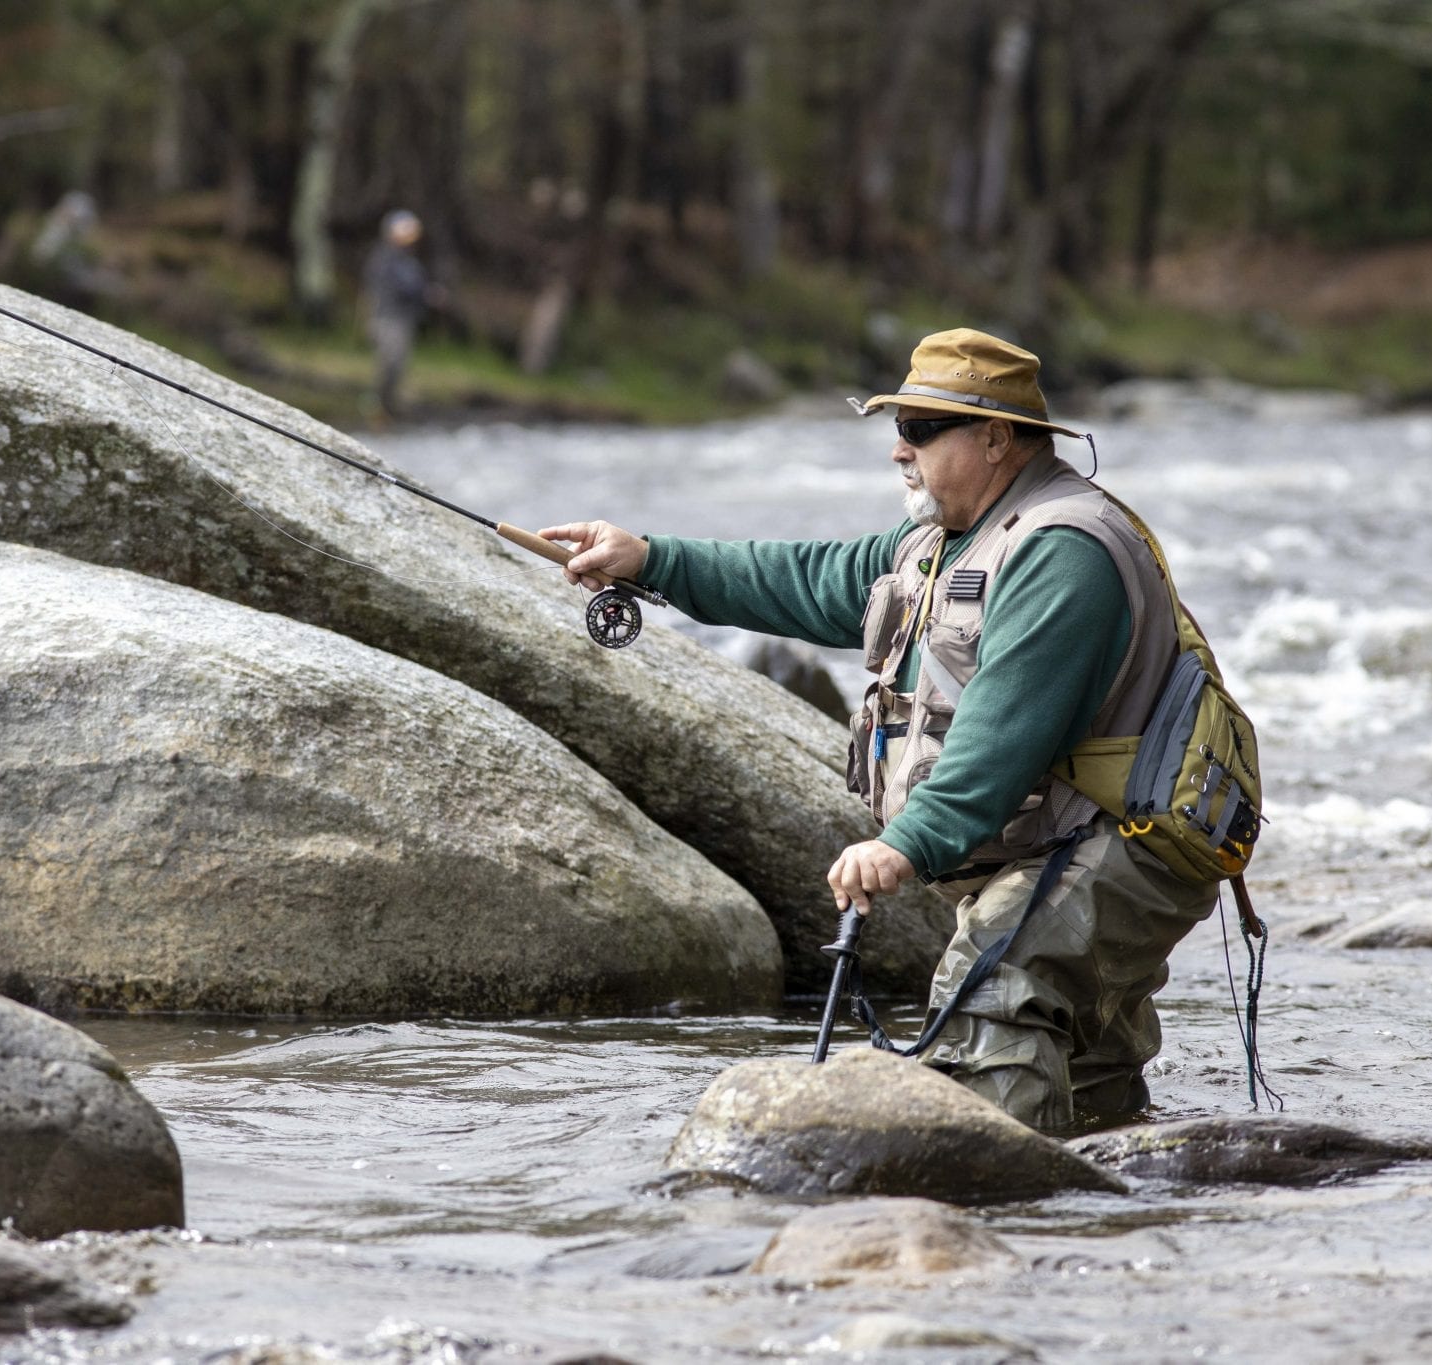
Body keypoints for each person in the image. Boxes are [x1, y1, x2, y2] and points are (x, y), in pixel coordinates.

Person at [539, 329, 1222, 1135]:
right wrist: (649, 558)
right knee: (1085, 1068)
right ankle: (1101, 1203)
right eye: (897, 426)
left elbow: (999, 741)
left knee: (993, 986)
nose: (899, 449)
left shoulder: (1062, 552)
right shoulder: (936, 541)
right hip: (1062, 840)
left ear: (997, 438)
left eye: (921, 429)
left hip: (1128, 842)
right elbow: (797, 578)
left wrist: (904, 844)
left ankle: (1001, 1218)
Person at [360, 209, 438, 419]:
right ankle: (376, 406)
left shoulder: (408, 258)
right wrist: (424, 292)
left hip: (403, 319)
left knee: (398, 364)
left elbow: (415, 285)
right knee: (388, 363)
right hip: (387, 318)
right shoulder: (385, 257)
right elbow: (403, 286)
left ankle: (389, 406)